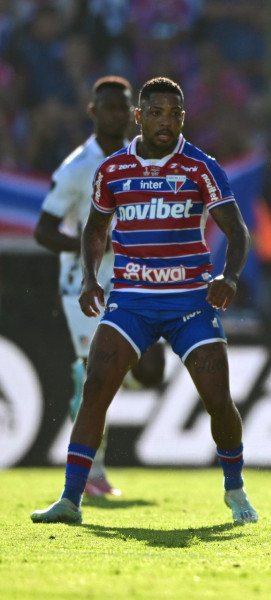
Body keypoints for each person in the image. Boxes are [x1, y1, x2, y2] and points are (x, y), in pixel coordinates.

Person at [31, 77, 258, 526]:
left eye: (174, 114)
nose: (165, 122)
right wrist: (91, 280)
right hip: (131, 298)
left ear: (183, 118)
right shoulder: (112, 169)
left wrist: (229, 277)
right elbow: (95, 228)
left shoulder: (201, 167)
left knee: (218, 400)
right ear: (140, 116)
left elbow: (237, 230)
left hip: (190, 302)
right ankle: (71, 500)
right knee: (95, 387)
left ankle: (235, 490)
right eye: (156, 113)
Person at [33, 75, 166, 497]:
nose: (114, 114)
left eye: (120, 108)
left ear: (132, 113)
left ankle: (97, 377)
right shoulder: (76, 168)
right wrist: (92, 243)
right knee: (93, 378)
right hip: (83, 283)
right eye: (105, 107)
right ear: (93, 112)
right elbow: (43, 230)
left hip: (130, 279)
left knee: (151, 369)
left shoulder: (141, 159)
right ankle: (92, 472)